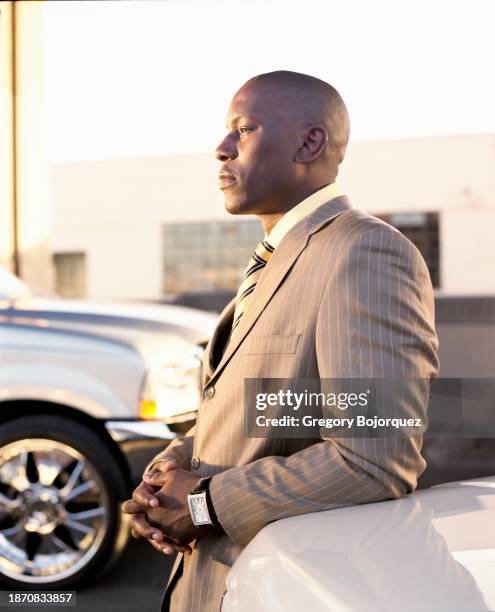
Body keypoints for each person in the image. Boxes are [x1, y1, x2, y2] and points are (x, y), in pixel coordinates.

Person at [122, 70, 439, 611]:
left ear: (309, 142)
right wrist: (164, 481)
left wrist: (200, 505)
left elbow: (372, 460)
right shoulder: (276, 261)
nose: (221, 149)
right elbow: (260, 416)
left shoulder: (363, 254)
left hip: (277, 589)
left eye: (242, 130)